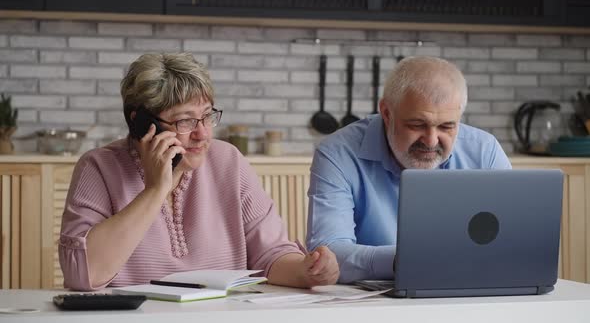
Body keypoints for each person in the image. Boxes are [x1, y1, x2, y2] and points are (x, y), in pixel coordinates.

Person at [59, 52, 339, 291]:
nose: (202, 134)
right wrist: (156, 190)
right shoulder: (98, 167)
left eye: (207, 116)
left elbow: (271, 255)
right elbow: (84, 274)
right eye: (185, 121)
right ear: (141, 123)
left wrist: (307, 271)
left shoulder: (229, 161)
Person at [306, 56, 511, 283]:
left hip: (471, 289)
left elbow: (512, 239)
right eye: (417, 125)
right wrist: (404, 260)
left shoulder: (485, 151)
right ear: (386, 113)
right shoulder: (337, 153)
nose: (431, 141)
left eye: (446, 126)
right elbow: (328, 255)